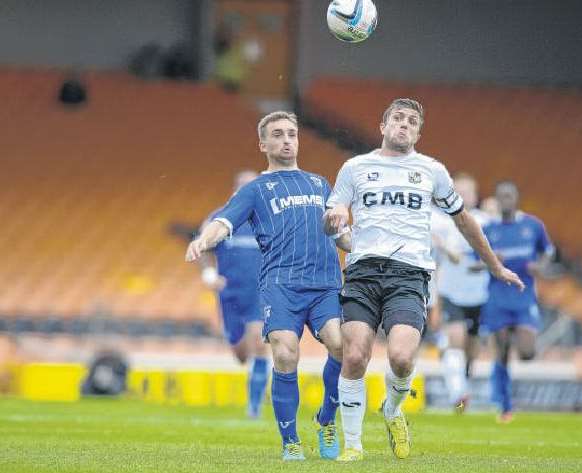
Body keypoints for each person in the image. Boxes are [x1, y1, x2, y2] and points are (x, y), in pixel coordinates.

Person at [324, 98, 524, 461]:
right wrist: (333, 218)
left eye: (412, 121)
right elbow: (333, 217)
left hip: (410, 273)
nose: (404, 124)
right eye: (397, 118)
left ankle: (392, 409)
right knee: (354, 355)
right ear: (383, 126)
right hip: (363, 270)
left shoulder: (431, 170)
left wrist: (494, 265)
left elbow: (464, 221)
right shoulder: (355, 167)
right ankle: (352, 445)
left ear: (418, 132)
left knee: (401, 357)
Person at [186, 111, 350, 461]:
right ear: (263, 144)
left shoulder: (320, 183)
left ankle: (326, 419)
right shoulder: (255, 190)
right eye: (277, 134)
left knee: (340, 345)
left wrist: (362, 246)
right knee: (286, 353)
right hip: (280, 285)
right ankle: (290, 440)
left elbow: (339, 234)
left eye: (291, 133)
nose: (286, 140)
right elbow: (222, 223)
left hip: (324, 283)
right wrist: (204, 240)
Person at [480, 181, 554, 423]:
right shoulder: (489, 230)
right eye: (501, 196)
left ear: (517, 198)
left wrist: (540, 267)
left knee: (526, 352)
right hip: (498, 300)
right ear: (496, 200)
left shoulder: (532, 226)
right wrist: (491, 261)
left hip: (523, 299)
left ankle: (515, 343)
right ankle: (505, 405)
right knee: (501, 354)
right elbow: (472, 263)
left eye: (509, 196)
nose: (505, 200)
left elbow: (548, 251)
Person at [198, 170, 268, 419]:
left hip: (259, 293)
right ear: (235, 189)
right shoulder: (219, 219)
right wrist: (209, 274)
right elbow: (204, 248)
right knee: (240, 353)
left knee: (260, 344)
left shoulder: (267, 219)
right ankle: (250, 374)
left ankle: (254, 407)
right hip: (230, 294)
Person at [431, 173, 490, 413]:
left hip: (479, 295)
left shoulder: (485, 222)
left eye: (468, 192)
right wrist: (443, 247)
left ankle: (462, 376)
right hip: (451, 293)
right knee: (456, 338)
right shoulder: (441, 220)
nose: (464, 196)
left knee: (471, 348)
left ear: (476, 196)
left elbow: (495, 254)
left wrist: (484, 262)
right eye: (459, 191)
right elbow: (431, 241)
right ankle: (458, 392)